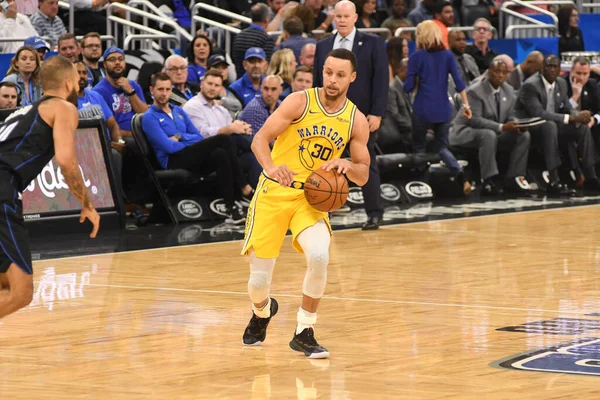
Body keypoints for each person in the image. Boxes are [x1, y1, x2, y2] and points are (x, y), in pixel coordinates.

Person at [240, 48, 370, 358]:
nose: (332, 80)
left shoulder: (356, 120)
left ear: (351, 77)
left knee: (319, 256)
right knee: (259, 281)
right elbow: (259, 140)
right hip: (274, 191)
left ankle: (304, 330)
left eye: (340, 75)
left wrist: (347, 166)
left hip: (311, 197)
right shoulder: (299, 101)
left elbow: (363, 174)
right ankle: (262, 312)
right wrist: (271, 168)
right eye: (328, 72)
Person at [0, 55, 100, 319]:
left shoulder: (26, 111)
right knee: (21, 293)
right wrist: (87, 203)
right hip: (2, 187)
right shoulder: (63, 108)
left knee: (5, 283)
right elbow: (66, 162)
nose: (79, 88)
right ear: (68, 83)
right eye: (78, 83)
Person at [313, 0, 388, 231]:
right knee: (324, 163)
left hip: (361, 116)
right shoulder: (323, 45)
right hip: (330, 115)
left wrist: (376, 113)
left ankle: (374, 213)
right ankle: (321, 211)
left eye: (346, 16)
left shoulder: (373, 43)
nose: (342, 20)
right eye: (338, 16)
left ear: (356, 17)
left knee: (365, 163)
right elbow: (318, 81)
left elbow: (381, 80)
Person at [142, 73, 249, 223]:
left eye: (167, 89)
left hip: (189, 156)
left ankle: (230, 208)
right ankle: (244, 186)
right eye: (160, 89)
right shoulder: (149, 117)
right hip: (172, 161)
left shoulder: (178, 111)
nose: (164, 93)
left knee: (220, 154)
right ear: (152, 90)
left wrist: (179, 136)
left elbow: (197, 137)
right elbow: (168, 147)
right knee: (223, 139)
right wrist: (185, 139)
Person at [404, 20, 473, 195]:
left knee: (419, 148)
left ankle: (421, 187)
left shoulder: (416, 57)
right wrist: (466, 105)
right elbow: (459, 83)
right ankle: (461, 177)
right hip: (443, 108)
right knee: (442, 148)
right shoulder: (448, 56)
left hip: (422, 108)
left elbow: (408, 87)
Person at [450, 59, 532, 195]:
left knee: (523, 135)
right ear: (489, 73)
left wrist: (517, 124)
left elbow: (511, 114)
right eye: (497, 71)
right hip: (464, 132)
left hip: (494, 132)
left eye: (504, 73)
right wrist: (502, 127)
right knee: (488, 134)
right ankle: (488, 180)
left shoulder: (509, 90)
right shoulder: (474, 91)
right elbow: (474, 119)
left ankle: (514, 178)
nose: (500, 75)